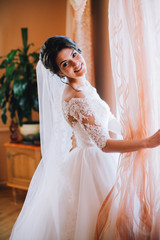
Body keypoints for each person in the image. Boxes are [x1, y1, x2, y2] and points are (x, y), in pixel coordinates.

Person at [10, 36, 160, 240]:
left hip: (103, 158)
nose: (75, 63)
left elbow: (106, 119)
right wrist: (148, 142)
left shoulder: (83, 84)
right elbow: (104, 145)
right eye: (65, 64)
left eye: (74, 54)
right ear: (59, 72)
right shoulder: (74, 97)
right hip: (94, 163)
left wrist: (137, 128)